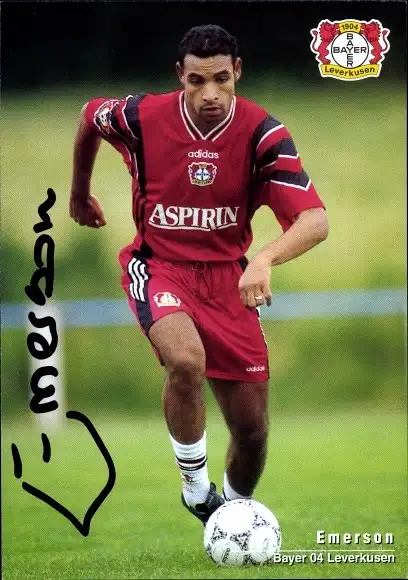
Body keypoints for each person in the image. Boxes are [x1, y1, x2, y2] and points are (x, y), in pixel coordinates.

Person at [69, 24, 328, 526]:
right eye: (196, 81)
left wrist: (264, 259)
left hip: (229, 281)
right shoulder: (140, 117)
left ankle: (231, 515)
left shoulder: (263, 134)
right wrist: (79, 193)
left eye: (221, 79)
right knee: (185, 361)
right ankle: (195, 489)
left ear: (237, 73)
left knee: (252, 431)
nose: (210, 93)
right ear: (179, 76)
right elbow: (88, 115)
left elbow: (315, 220)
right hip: (159, 267)